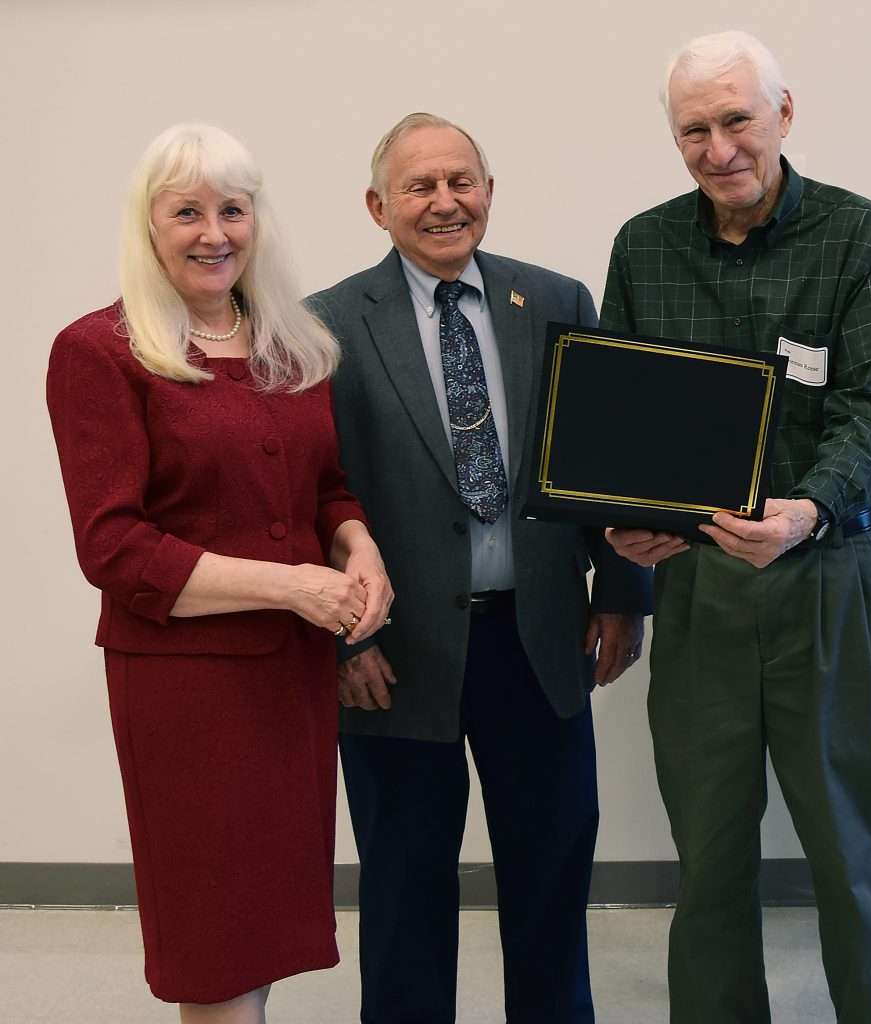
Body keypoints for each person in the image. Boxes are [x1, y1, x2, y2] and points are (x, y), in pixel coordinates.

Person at [306, 112, 652, 1024]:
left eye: (462, 180)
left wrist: (623, 595)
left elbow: (612, 460)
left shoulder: (558, 300)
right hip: (397, 654)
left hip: (538, 640)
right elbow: (313, 496)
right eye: (419, 186)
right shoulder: (326, 327)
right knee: (405, 889)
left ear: (490, 194)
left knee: (550, 875)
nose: (444, 201)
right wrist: (347, 641)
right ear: (378, 206)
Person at [47, 123, 393, 1024]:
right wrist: (293, 586)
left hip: (290, 681)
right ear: (147, 226)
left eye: (232, 210)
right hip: (186, 694)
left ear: (256, 220)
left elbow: (325, 487)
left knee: (263, 930)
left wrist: (357, 545)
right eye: (187, 212)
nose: (214, 232)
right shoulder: (99, 351)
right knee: (213, 944)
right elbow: (114, 548)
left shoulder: (291, 345)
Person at [602, 31, 871, 1024]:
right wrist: (625, 521)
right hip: (701, 594)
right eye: (693, 129)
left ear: (785, 112)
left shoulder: (859, 234)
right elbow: (619, 418)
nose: (717, 147)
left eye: (736, 119)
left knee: (856, 868)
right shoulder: (644, 245)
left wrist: (809, 508)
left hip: (830, 584)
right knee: (711, 872)